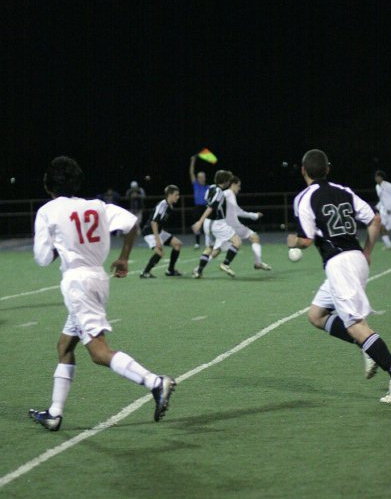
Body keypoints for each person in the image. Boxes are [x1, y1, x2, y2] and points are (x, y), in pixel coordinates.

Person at [29, 156, 176, 431]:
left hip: (77, 283)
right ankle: (54, 413)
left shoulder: (48, 210)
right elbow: (132, 223)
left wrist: (59, 246)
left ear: (49, 185)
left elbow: (42, 258)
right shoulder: (97, 205)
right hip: (98, 277)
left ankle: (155, 383)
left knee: (98, 352)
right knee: (65, 346)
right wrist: (123, 258)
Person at [287, 149, 391, 404]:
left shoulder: (304, 197)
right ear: (328, 169)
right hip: (355, 259)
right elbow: (375, 219)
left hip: (339, 264)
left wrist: (293, 241)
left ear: (303, 170)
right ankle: (366, 347)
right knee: (316, 315)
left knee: (356, 326)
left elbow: (307, 239)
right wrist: (367, 251)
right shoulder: (343, 190)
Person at [192, 170, 241, 278]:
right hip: (217, 223)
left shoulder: (211, 187)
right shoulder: (219, 192)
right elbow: (211, 207)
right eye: (228, 180)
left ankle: (198, 270)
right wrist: (199, 221)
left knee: (211, 248)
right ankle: (225, 264)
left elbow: (206, 201)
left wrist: (202, 222)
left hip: (208, 223)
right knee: (237, 242)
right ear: (225, 181)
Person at [223, 176, 271, 271]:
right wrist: (254, 216)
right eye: (238, 186)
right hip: (233, 225)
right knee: (255, 237)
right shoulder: (229, 194)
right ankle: (257, 263)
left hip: (226, 226)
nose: (239, 188)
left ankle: (199, 269)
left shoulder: (227, 194)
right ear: (233, 185)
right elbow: (238, 211)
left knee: (215, 249)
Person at [140, 185, 183, 278]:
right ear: (170, 195)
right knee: (160, 252)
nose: (178, 197)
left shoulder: (170, 206)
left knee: (177, 244)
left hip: (158, 231)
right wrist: (158, 239)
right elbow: (154, 221)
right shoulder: (162, 205)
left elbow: (160, 221)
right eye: (176, 195)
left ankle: (170, 270)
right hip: (149, 232)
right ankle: (145, 272)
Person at [189, 155, 210, 248]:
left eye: (203, 177)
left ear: (205, 177)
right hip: (197, 207)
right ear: (197, 178)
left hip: (206, 207)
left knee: (207, 225)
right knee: (197, 225)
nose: (201, 178)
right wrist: (193, 161)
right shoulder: (196, 185)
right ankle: (197, 243)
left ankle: (208, 242)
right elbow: (191, 172)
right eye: (199, 177)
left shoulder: (208, 187)